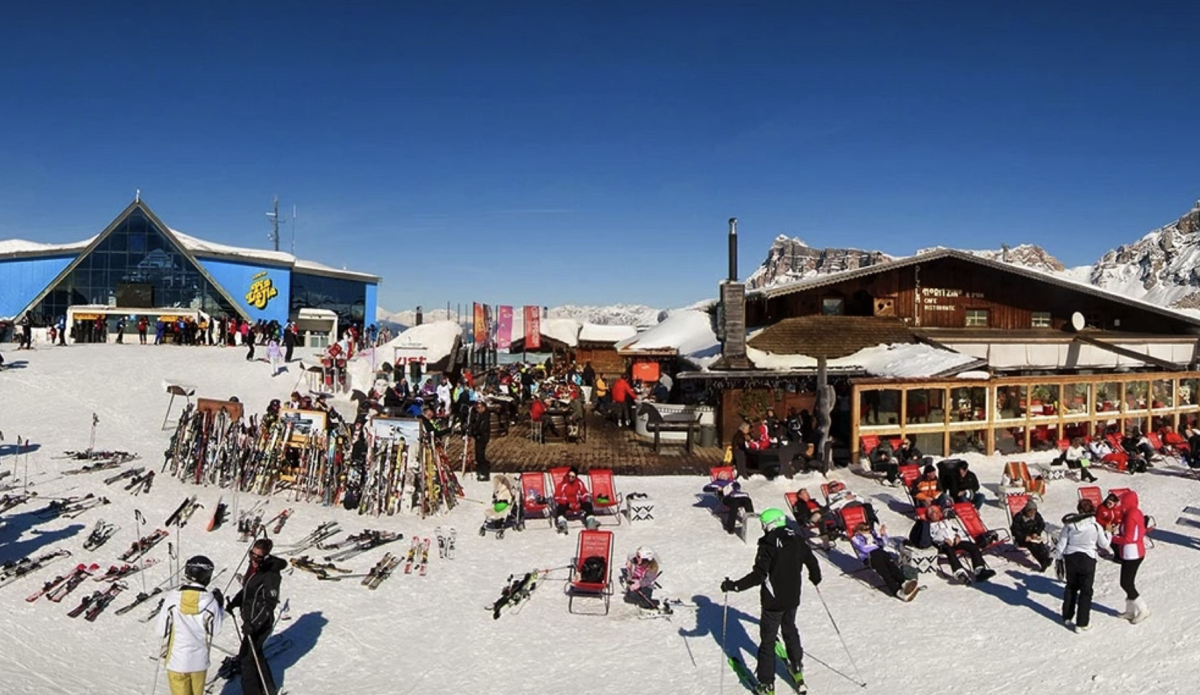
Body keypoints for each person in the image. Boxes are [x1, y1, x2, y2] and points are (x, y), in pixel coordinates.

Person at [721, 508, 821, 695]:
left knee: (767, 641)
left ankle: (766, 683)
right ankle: (796, 665)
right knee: (790, 629)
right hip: (792, 598)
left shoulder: (768, 544)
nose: (763, 528)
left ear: (771, 525)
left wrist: (734, 586)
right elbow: (811, 560)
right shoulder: (797, 539)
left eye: (764, 525)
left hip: (773, 602)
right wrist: (815, 577)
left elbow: (759, 575)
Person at [156, 555, 224, 695]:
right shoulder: (211, 602)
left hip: (177, 660)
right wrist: (220, 607)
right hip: (199, 662)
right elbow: (215, 631)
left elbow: (160, 631)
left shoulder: (173, 599)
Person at [227, 538, 285, 695]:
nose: (254, 559)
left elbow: (269, 603)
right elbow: (248, 589)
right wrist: (235, 602)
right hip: (250, 619)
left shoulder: (271, 574)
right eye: (252, 554)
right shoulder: (253, 567)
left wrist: (254, 624)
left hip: (261, 622)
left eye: (258, 557)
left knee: (246, 658)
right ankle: (268, 689)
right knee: (255, 654)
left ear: (266, 557)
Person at [1055, 498, 1112, 632]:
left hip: (1071, 557)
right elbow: (1104, 544)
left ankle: (1067, 616)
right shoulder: (1095, 525)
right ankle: (1082, 623)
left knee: (1071, 587)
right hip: (1088, 558)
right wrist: (1108, 532)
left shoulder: (1069, 525)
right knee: (1086, 591)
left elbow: (1061, 543)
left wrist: (1059, 558)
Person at [850, 522, 919, 600]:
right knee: (885, 572)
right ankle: (897, 591)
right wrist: (875, 545)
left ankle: (903, 582)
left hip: (880, 553)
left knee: (892, 566)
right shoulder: (855, 538)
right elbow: (864, 549)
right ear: (859, 530)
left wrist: (883, 535)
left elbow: (885, 543)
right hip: (869, 557)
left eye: (869, 528)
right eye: (865, 529)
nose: (868, 531)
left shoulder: (872, 535)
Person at [927, 505, 994, 584]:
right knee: (949, 550)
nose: (937, 514)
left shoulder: (947, 522)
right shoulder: (929, 526)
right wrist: (944, 540)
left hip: (955, 541)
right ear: (929, 515)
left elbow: (960, 530)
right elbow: (932, 538)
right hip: (943, 544)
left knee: (972, 546)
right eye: (934, 512)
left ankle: (980, 571)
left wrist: (958, 536)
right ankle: (959, 573)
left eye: (938, 512)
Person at [1110, 490, 1150, 624]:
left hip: (1132, 553)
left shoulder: (1131, 515)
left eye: (1122, 502)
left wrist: (1112, 538)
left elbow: (1129, 538)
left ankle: (1143, 609)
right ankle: (1130, 611)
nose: (1120, 504)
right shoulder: (1134, 512)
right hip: (1131, 552)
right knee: (1127, 582)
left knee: (1126, 583)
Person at [1011, 499, 1053, 572]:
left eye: (1034, 512)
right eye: (1030, 512)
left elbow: (1041, 524)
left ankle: (1046, 559)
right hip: (1022, 538)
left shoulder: (1036, 515)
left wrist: (1037, 532)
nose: (1032, 514)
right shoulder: (1019, 517)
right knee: (1033, 546)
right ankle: (1042, 562)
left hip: (1033, 536)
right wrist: (1024, 537)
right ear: (1026, 511)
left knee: (1040, 545)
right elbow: (1015, 530)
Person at [553, 466, 595, 531]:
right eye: (569, 476)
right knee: (560, 507)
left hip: (577, 503)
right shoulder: (563, 484)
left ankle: (590, 521)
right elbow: (557, 497)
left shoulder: (579, 483)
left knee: (588, 505)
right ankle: (562, 524)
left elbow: (585, 493)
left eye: (573, 477)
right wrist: (568, 503)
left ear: (576, 477)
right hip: (567, 503)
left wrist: (580, 502)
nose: (570, 478)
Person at [470, 400, 492, 481]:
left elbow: (482, 428)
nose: (477, 409)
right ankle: (481, 470)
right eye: (477, 408)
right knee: (478, 455)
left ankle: (485, 472)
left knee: (480, 456)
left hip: (482, 437)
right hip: (479, 437)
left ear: (483, 408)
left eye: (479, 408)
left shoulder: (485, 417)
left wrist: (476, 432)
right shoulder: (479, 415)